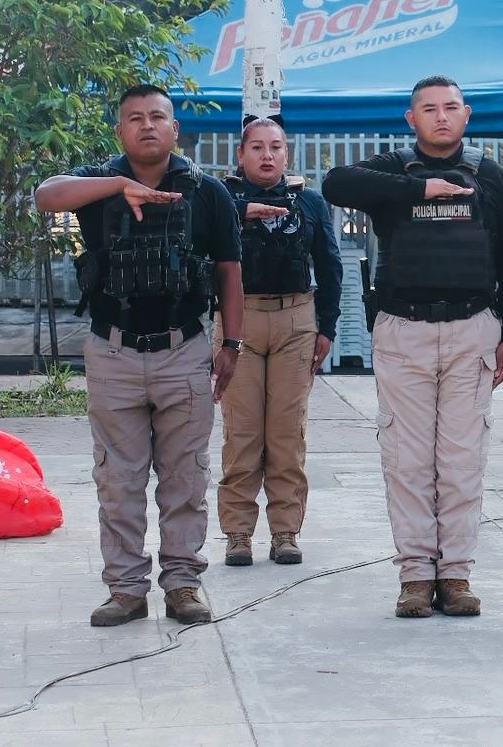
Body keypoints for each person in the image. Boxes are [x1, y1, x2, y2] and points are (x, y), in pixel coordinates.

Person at [35, 85, 243, 627]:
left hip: (184, 349)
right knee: (118, 480)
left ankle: (183, 584)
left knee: (185, 479)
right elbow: (45, 195)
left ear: (175, 128)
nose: (147, 125)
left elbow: (229, 271)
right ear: (120, 130)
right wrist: (118, 185)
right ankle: (126, 590)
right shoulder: (96, 185)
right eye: (134, 118)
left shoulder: (207, 192)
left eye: (157, 116)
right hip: (114, 352)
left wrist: (232, 344)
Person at [322, 76, 503, 618]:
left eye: (451, 107)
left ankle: (455, 574)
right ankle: (415, 575)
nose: (441, 117)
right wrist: (420, 190)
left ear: (467, 115)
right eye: (429, 109)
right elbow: (336, 183)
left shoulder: (491, 178)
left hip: (472, 331)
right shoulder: (393, 171)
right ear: (411, 119)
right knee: (407, 461)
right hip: (403, 331)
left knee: (461, 461)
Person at [219, 117, 343, 568]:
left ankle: (285, 531)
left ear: (287, 154)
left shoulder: (308, 201)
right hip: (240, 320)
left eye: (276, 147)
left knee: (287, 433)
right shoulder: (222, 198)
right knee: (243, 432)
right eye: (257, 147)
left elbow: (329, 264)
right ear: (241, 154)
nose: (267, 155)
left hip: (296, 319)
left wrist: (326, 327)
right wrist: (242, 211)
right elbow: (197, 243)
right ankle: (237, 533)